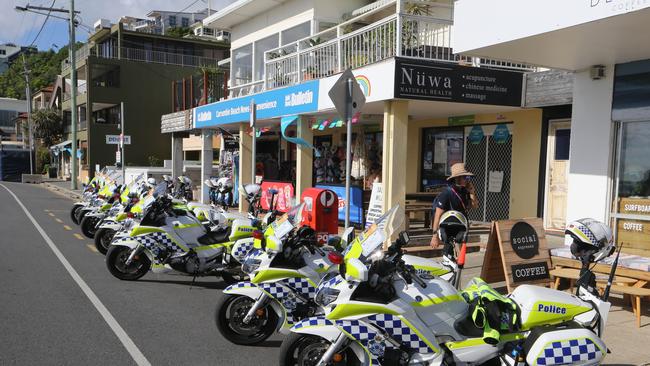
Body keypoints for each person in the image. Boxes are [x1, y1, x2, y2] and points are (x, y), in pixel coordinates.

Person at [430, 163, 479, 249]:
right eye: (465, 177)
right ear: (457, 178)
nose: (467, 180)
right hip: (448, 228)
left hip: (461, 226)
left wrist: (472, 193)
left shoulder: (465, 191)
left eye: (468, 177)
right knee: (449, 253)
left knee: (460, 256)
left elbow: (474, 207)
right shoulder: (447, 193)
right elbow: (437, 215)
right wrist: (435, 236)